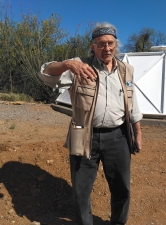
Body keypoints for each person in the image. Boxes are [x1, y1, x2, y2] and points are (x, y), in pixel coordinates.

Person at [39, 22, 142, 225]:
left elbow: (132, 102)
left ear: (116, 44)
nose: (107, 48)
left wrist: (137, 131)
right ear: (92, 45)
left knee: (122, 188)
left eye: (111, 43)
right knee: (81, 190)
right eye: (102, 44)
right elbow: (45, 74)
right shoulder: (79, 66)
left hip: (118, 136)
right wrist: (68, 64)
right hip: (86, 136)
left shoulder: (126, 70)